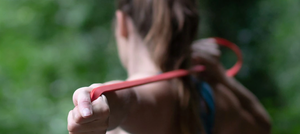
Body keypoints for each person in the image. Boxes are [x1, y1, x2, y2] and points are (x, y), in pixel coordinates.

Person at [67, 0, 271, 134]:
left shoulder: (156, 97)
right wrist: (221, 77)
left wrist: (96, 99)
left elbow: (128, 99)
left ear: (122, 23)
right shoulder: (216, 96)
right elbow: (263, 125)